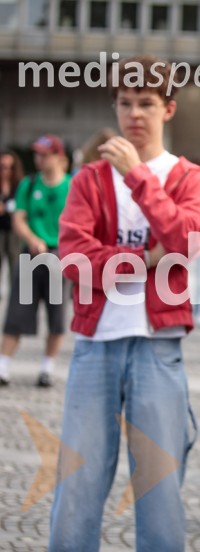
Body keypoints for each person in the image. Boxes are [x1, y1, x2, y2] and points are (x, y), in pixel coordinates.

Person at [51, 55, 200, 551]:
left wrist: (139, 176)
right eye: (125, 103)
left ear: (168, 108)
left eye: (145, 103)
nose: (134, 114)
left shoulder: (191, 178)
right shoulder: (89, 179)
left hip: (158, 347)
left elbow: (187, 243)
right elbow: (73, 259)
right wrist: (145, 259)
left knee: (160, 490)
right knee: (77, 485)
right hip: (95, 343)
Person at [0, 135, 71, 387]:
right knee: (17, 313)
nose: (39, 159)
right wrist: (32, 238)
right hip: (31, 255)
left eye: (45, 155)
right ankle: (4, 365)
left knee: (56, 316)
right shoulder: (29, 184)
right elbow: (19, 219)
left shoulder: (72, 186)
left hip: (59, 256)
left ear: (59, 157)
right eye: (37, 154)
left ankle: (47, 367)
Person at [0, 150, 23, 292]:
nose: (6, 171)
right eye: (3, 167)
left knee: (14, 262)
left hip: (13, 229)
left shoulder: (20, 185)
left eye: (10, 167)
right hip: (0, 229)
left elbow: (21, 206)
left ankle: (14, 293)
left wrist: (7, 209)